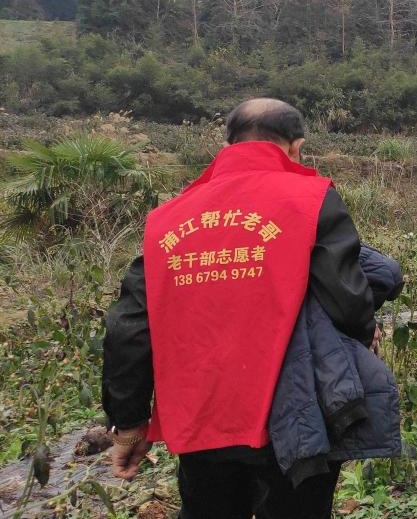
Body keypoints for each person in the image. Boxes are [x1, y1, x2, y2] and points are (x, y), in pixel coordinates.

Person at [102, 98, 387, 519]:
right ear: (295, 146)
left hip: (202, 415)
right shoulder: (311, 199)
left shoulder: (167, 218)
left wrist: (128, 422)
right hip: (295, 410)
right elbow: (345, 301)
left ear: (227, 144)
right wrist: (363, 338)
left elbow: (128, 327)